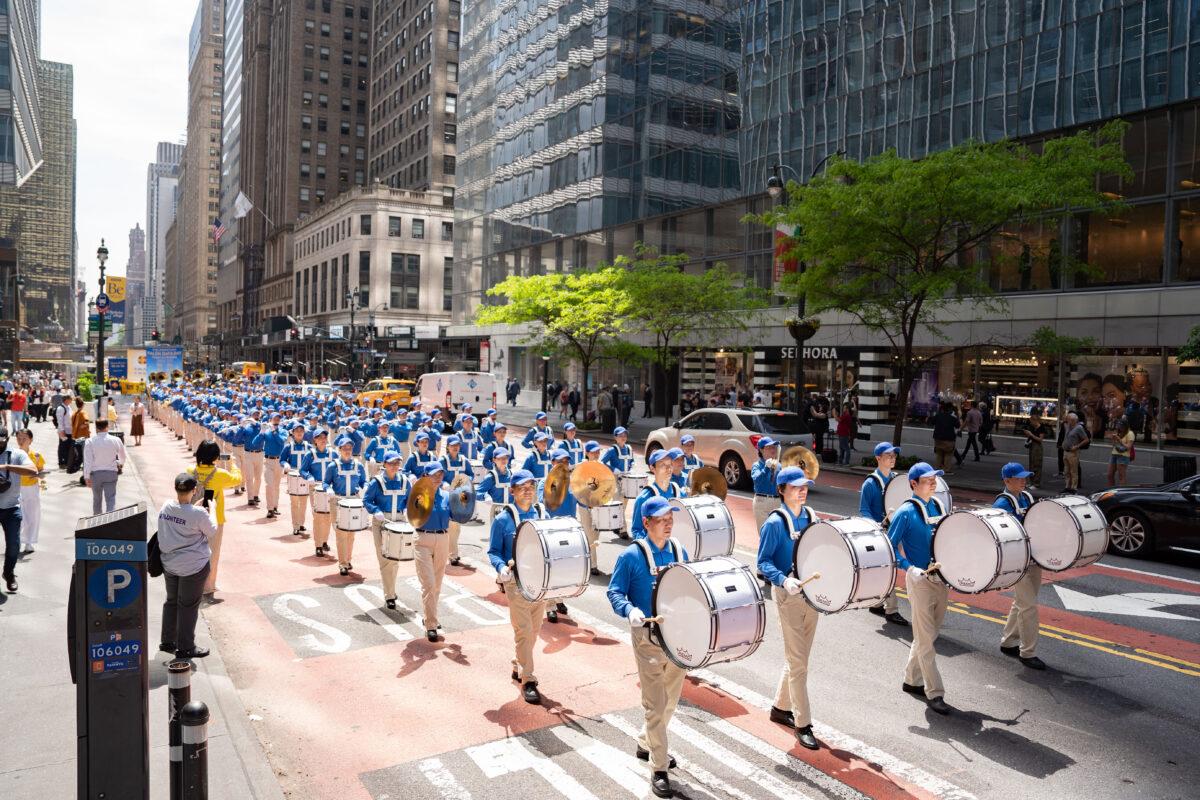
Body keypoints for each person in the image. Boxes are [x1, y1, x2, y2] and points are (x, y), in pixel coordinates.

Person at [607, 496, 687, 799]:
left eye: (671, 518)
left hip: (676, 639)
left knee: (670, 700)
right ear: (646, 522)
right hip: (648, 639)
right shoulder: (631, 556)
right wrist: (629, 610)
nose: (668, 523)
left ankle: (648, 742)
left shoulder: (681, 551)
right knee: (655, 703)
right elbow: (615, 591)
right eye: (661, 519)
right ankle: (659, 767)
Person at [757, 465, 821, 749]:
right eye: (796, 487)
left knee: (800, 659)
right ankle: (802, 722)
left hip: (811, 595)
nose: (803, 490)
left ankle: (780, 708)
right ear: (782, 491)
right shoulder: (774, 523)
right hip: (788, 595)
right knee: (798, 663)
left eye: (805, 486)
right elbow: (763, 561)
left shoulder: (811, 517)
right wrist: (783, 580)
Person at [889, 462, 952, 715]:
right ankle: (934, 692)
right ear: (914, 484)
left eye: (935, 479)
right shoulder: (905, 512)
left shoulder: (937, 506)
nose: (933, 483)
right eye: (928, 480)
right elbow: (889, 547)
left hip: (940, 579)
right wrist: (908, 567)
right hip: (919, 581)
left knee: (930, 633)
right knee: (926, 639)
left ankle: (911, 679)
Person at [488, 469, 550, 704]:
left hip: (540, 582)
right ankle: (529, 680)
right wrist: (501, 568)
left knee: (533, 632)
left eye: (531, 486)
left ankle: (518, 664)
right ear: (512, 491)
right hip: (516, 584)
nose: (528, 491)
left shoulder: (541, 514)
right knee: (524, 631)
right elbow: (493, 551)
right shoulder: (503, 519)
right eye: (522, 487)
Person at [156, 473, 218, 659]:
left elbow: (182, 515)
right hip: (193, 567)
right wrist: (211, 509)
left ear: (176, 489)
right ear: (194, 490)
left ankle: (167, 642)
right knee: (188, 605)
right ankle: (186, 647)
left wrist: (194, 509)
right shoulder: (199, 514)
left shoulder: (167, 506)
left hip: (169, 563)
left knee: (172, 601)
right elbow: (211, 530)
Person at [994, 462, 1045, 670]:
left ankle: (1008, 641)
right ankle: (1028, 652)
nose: (1024, 481)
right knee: (1028, 606)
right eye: (1019, 478)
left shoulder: (1026, 498)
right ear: (1007, 481)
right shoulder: (1001, 505)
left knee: (1022, 601)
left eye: (1025, 477)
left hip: (1033, 558)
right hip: (1017, 562)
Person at [857, 442, 907, 626]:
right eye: (888, 456)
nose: (892, 458)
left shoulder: (896, 480)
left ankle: (877, 603)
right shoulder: (870, 483)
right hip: (882, 531)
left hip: (896, 529)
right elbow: (864, 510)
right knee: (892, 567)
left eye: (894, 455)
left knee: (888, 567)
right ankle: (891, 609)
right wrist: (878, 525)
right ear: (878, 458)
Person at [189, 441, 242, 599]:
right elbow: (237, 479)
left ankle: (193, 584)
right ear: (216, 457)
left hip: (193, 516)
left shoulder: (190, 471)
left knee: (194, 551)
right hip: (213, 518)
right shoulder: (220, 474)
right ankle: (208, 587)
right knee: (212, 553)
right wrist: (233, 464)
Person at [363, 451, 410, 610]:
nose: (394, 466)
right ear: (384, 464)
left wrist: (406, 509)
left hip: (399, 522)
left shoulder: (405, 481)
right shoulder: (376, 482)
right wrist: (375, 510)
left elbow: (410, 500)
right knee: (385, 560)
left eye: (397, 463)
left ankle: (390, 589)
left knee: (395, 560)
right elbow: (367, 500)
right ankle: (390, 595)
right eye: (391, 463)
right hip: (381, 523)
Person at [413, 462, 452, 642]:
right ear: (425, 476)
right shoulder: (418, 494)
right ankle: (431, 624)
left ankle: (430, 615)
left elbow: (458, 514)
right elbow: (411, 512)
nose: (438, 478)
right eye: (434, 474)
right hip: (422, 539)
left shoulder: (446, 496)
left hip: (443, 539)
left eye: (440, 474)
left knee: (437, 583)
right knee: (428, 583)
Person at [0, 427, 36, 592]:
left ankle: (9, 573)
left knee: (14, 545)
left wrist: (7, 467)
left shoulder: (16, 454)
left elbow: (32, 471)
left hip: (11, 508)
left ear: (6, 439)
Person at [325, 435, 367, 576]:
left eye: (350, 448)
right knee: (341, 534)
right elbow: (326, 482)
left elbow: (363, 481)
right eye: (345, 448)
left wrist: (366, 486)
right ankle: (342, 563)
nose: (348, 451)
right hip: (338, 501)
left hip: (354, 501)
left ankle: (348, 560)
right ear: (340, 449)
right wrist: (329, 489)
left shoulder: (358, 465)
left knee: (351, 534)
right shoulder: (333, 466)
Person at [630, 449, 683, 540]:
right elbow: (636, 530)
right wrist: (651, 548)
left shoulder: (679, 492)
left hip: (675, 548)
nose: (668, 468)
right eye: (663, 465)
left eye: (670, 464)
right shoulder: (644, 498)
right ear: (652, 468)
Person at [300, 428, 336, 558]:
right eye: (319, 437)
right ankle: (318, 545)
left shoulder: (333, 453)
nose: (322, 440)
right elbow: (302, 470)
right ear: (314, 440)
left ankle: (324, 540)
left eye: (324, 437)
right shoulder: (309, 454)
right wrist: (308, 476)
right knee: (318, 516)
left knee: (328, 516)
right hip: (316, 487)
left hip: (330, 487)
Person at [83, 419, 126, 514]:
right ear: (107, 427)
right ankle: (110, 523)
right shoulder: (116, 440)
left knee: (97, 500)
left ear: (96, 428)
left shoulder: (89, 442)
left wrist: (86, 476)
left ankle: (97, 524)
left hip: (95, 475)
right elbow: (123, 457)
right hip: (111, 473)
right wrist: (119, 463)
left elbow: (88, 461)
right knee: (111, 500)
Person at [15, 429, 43, 554]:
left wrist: (40, 476)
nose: (21, 441)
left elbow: (41, 471)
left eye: (24, 438)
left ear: (30, 440)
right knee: (19, 517)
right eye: (19, 438)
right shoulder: (13, 455)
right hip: (17, 488)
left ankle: (29, 542)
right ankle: (17, 541)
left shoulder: (36, 456)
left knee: (32, 516)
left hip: (32, 488)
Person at [750, 438, 781, 531]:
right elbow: (758, 480)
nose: (773, 449)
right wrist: (766, 468)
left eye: (774, 447)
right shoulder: (757, 465)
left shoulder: (779, 466)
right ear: (761, 450)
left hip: (778, 502)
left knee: (777, 533)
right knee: (764, 533)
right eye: (769, 447)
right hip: (762, 502)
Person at [1021, 408, 1052, 488]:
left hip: (1037, 447)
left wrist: (1031, 435)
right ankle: (1031, 482)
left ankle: (1036, 483)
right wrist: (1028, 435)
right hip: (1032, 446)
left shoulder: (1041, 428)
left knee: (1037, 465)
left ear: (1035, 421)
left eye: (1031, 421)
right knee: (1031, 464)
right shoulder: (1033, 427)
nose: (1030, 423)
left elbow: (1040, 439)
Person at [1061, 412, 1089, 494]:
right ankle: (1067, 486)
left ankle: (1074, 488)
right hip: (1065, 452)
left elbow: (1086, 439)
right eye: (1067, 419)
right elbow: (1063, 419)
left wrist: (1077, 446)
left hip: (1073, 453)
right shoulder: (1068, 426)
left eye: (1069, 419)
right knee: (1066, 471)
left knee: (1073, 471)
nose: (1067, 420)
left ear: (1073, 420)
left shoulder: (1079, 428)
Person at [930, 402, 959, 473]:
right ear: (950, 409)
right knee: (948, 454)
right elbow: (958, 425)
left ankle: (937, 467)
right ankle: (946, 469)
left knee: (939, 453)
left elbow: (932, 422)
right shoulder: (952, 418)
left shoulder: (938, 416)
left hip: (938, 438)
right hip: (949, 439)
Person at [1107, 417, 1135, 487]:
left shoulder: (1130, 433)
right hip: (1114, 454)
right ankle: (1110, 491)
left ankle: (1121, 492)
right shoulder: (1118, 432)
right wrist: (1113, 440)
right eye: (1118, 426)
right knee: (1109, 475)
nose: (1119, 428)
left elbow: (1129, 447)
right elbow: (1113, 445)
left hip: (1123, 456)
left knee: (1121, 475)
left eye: (1121, 426)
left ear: (1125, 426)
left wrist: (1120, 440)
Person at [54, 395, 72, 468]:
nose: (71, 401)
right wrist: (62, 431)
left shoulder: (69, 407)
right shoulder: (61, 408)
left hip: (69, 430)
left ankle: (67, 461)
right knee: (62, 447)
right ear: (66, 400)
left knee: (67, 447)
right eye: (70, 399)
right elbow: (60, 421)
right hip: (64, 431)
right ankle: (61, 463)